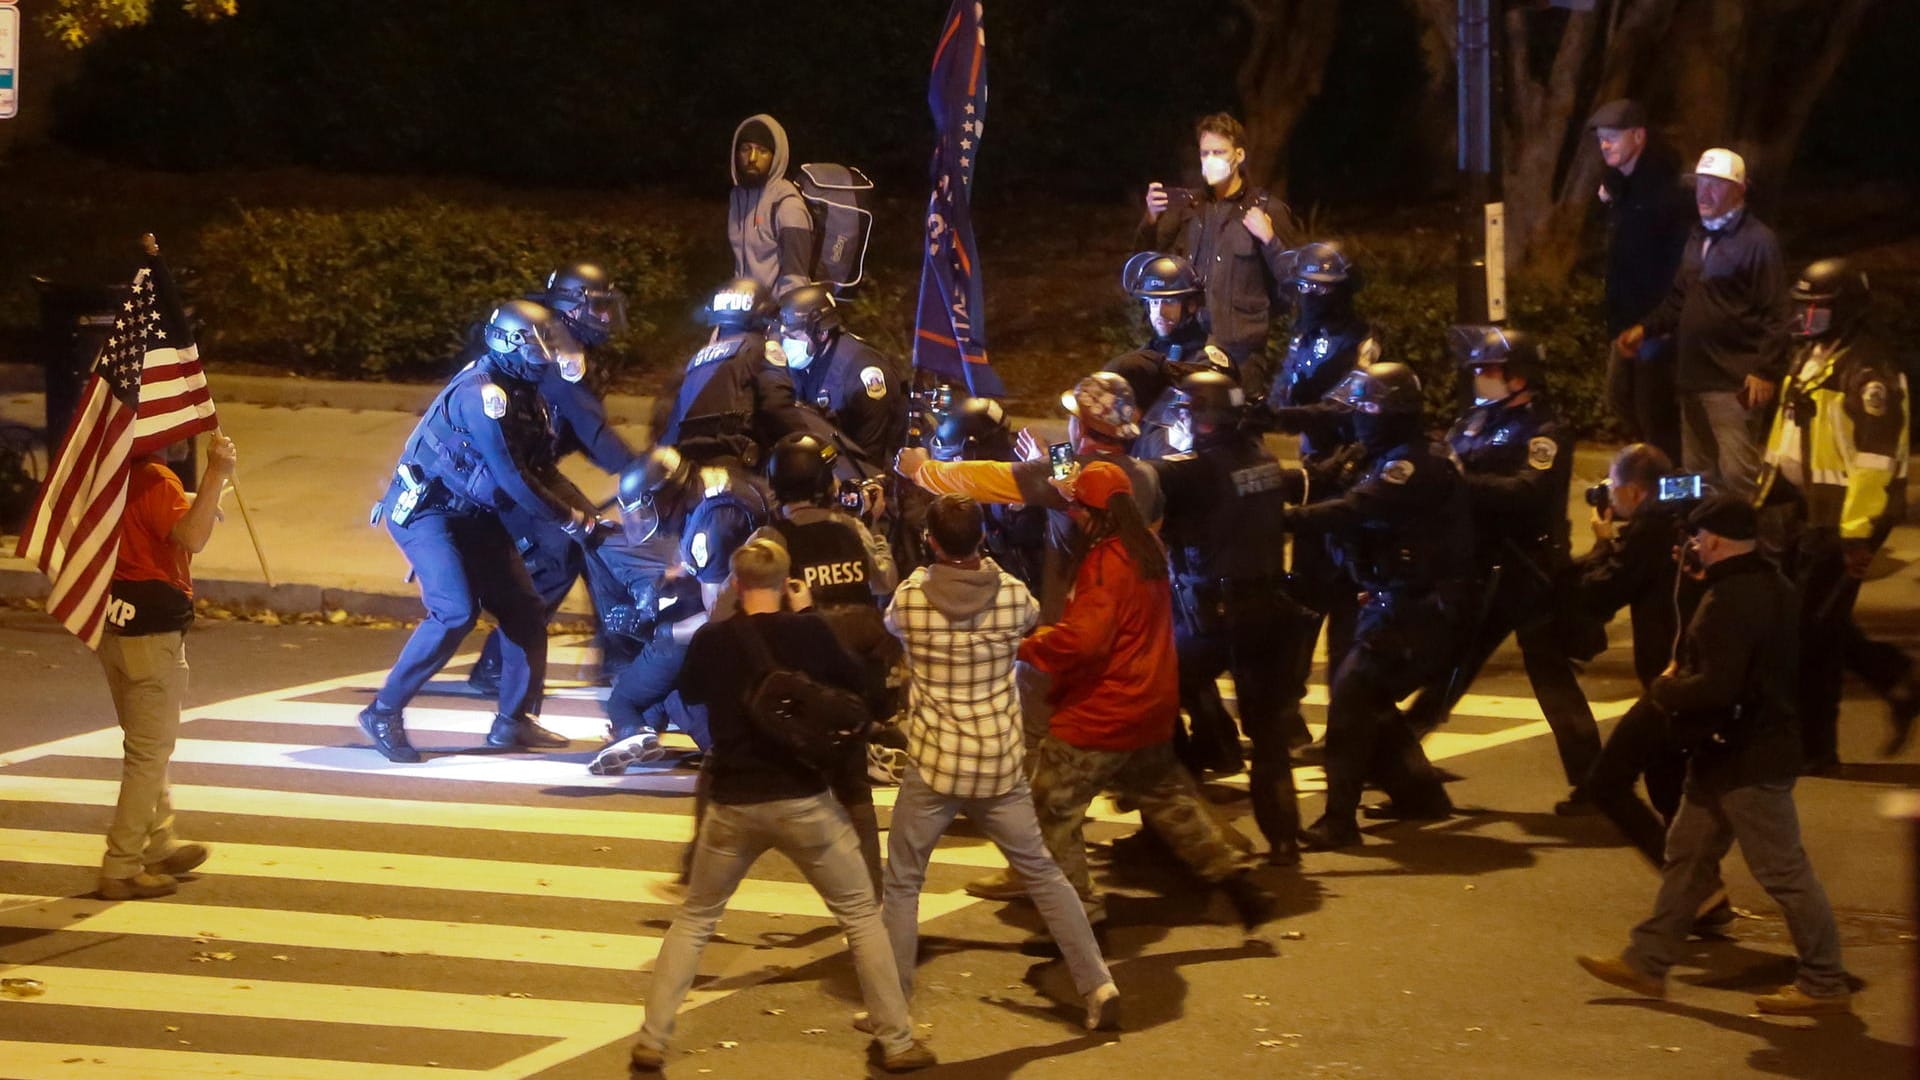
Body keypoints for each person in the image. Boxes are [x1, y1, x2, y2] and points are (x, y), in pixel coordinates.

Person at [629, 541, 935, 1074]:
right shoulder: (810, 631)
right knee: (861, 916)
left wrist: (725, 616)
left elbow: (693, 693)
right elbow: (858, 684)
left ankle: (654, 1038)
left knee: (697, 918)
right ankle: (897, 1040)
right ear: (788, 580)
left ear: (734, 582)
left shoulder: (713, 639)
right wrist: (807, 613)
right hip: (802, 799)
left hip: (732, 803)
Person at [1577, 496, 1853, 1018]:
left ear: (1716, 541)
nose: (1690, 548)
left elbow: (1718, 688)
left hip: (1747, 758)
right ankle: (1647, 962)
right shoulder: (1774, 584)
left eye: (1697, 539)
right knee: (1686, 858)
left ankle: (1823, 978)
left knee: (1783, 871)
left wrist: (1665, 691)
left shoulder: (1730, 599)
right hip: (1730, 753)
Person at [880, 494, 1121, 1032]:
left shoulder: (913, 598)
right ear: (982, 538)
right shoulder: (1013, 596)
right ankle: (1097, 982)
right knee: (1042, 872)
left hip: (936, 763)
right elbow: (1035, 619)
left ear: (932, 541)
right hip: (997, 760)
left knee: (902, 883)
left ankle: (892, 1004)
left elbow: (891, 623)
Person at [1019, 461, 1277, 929]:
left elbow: (1084, 641)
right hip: (1149, 706)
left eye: (1078, 507)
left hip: (1104, 712)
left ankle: (1079, 920)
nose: (1073, 515)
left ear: (1096, 513)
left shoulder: (1104, 564)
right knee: (1171, 800)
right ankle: (1240, 884)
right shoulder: (1147, 549)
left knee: (1049, 808)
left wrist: (1031, 645)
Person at [360, 301, 591, 762]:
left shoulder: (525, 392)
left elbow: (540, 467)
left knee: (525, 608)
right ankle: (383, 711)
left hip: (475, 511)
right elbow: (511, 477)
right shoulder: (484, 395)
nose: (544, 358)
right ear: (507, 346)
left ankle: (514, 721)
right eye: (536, 349)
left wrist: (586, 513)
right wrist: (568, 518)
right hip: (429, 512)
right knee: (454, 610)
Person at [1402, 328, 1603, 810]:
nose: (1479, 378)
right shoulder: (1475, 419)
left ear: (1519, 376)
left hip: (1529, 567)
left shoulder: (1546, 431)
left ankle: (1596, 786)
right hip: (1480, 562)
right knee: (1451, 662)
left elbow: (1528, 493)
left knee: (1550, 675)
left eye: (1488, 370)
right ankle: (1396, 760)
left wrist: (1462, 483)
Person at [1277, 363, 1469, 849]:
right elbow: (1326, 484)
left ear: (1394, 414)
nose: (1358, 419)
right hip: (1395, 600)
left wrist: (1288, 521)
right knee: (1372, 700)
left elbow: (1358, 508)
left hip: (1418, 609)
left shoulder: (1413, 465)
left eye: (1366, 409)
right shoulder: (1381, 454)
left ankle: (1339, 820)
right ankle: (1420, 795)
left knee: (1351, 699)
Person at [1757, 258, 1917, 768]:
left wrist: (1856, 535)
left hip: (1845, 518)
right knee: (1814, 622)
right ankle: (1897, 679)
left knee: (1811, 634)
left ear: (1844, 312)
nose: (1805, 319)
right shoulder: (1814, 355)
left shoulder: (1868, 374)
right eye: (1802, 308)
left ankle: (1816, 748)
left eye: (1817, 310)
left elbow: (1874, 463)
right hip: (1804, 510)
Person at [1150, 370, 1304, 863]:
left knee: (1152, 703)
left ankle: (1181, 830)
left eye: (1191, 411)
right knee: (1269, 738)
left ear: (1207, 419)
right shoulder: (1263, 460)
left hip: (1211, 618)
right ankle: (1283, 842)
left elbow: (1141, 480)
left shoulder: (1195, 468)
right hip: (1267, 611)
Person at [470, 264, 638, 694]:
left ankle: (618, 660)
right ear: (571, 306)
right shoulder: (550, 348)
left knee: (598, 540)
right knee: (559, 550)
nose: (605, 318)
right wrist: (642, 471)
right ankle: (498, 664)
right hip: (497, 471)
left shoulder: (568, 345)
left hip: (532, 464)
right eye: (597, 308)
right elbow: (590, 428)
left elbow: (571, 428)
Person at [93, 433, 236, 900]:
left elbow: (151, 518)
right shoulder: (154, 477)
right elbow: (191, 537)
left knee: (146, 745)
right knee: (149, 754)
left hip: (114, 625)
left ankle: (158, 843)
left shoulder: (110, 469)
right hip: (152, 635)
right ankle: (122, 864)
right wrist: (216, 473)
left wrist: (192, 499)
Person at [1616, 148, 1793, 501]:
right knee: (1698, 479)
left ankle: (1750, 552)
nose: (1704, 192)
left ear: (1740, 191)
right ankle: (1702, 548)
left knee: (1738, 477)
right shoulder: (1698, 237)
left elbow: (1777, 313)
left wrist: (1765, 370)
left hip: (1733, 384)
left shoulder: (1758, 242)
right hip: (1693, 379)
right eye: (1700, 183)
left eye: (1715, 184)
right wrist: (1645, 328)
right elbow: (1680, 300)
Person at [1262, 239, 1378, 750]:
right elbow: (1283, 393)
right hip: (1313, 476)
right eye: (1306, 287)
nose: (1312, 296)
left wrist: (1283, 415)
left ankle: (1348, 726)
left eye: (1322, 289)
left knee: (1348, 605)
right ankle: (1287, 711)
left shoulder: (1365, 339)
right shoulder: (1304, 336)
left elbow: (1347, 406)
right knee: (1301, 600)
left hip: (1354, 475)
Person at [589, 454, 771, 773]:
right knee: (664, 683)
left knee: (634, 692)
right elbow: (703, 566)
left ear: (664, 496)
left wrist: (659, 631)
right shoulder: (716, 486)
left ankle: (637, 730)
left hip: (745, 632)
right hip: (768, 617)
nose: (643, 518)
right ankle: (640, 731)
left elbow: (719, 617)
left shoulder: (714, 523)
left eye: (646, 507)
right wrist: (661, 586)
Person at [1140, 112, 1296, 395]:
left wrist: (1270, 239)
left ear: (1239, 155)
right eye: (1205, 153)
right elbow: (1148, 266)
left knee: (1238, 431)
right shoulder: (1189, 208)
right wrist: (1151, 219)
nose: (1211, 159)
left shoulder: (1266, 210)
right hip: (1188, 349)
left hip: (1241, 356)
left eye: (1219, 152)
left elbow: (1293, 286)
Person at [1588, 99, 1690, 462]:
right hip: (1627, 322)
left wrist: (1655, 325)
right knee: (1623, 401)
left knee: (1657, 419)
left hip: (1655, 325)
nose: (1605, 145)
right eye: (1601, 138)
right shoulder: (1622, 188)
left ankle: (1672, 500)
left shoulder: (1665, 193)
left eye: (1612, 137)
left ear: (1638, 136)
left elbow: (1672, 266)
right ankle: (1653, 492)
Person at [656, 277, 816, 463]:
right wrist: (814, 445)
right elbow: (778, 408)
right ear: (762, 318)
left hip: (690, 467)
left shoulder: (696, 360)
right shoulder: (763, 349)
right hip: (738, 465)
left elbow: (672, 427)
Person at [1104, 251, 1233, 459]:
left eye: (1169, 302)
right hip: (1144, 471)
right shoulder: (1147, 353)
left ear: (1190, 305)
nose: (1159, 313)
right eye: (1154, 303)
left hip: (1179, 475)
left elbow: (1178, 435)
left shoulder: (1206, 360)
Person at [776, 285, 908, 474]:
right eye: (783, 335)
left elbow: (872, 458)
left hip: (872, 473)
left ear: (821, 334)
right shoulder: (803, 364)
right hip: (828, 464)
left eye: (792, 336)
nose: (785, 343)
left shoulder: (862, 373)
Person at [728, 113, 813, 300]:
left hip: (776, 318)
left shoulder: (788, 206)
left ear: (776, 156)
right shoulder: (738, 199)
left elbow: (796, 281)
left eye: (762, 151)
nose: (752, 157)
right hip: (744, 312)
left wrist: (784, 318)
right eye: (745, 149)